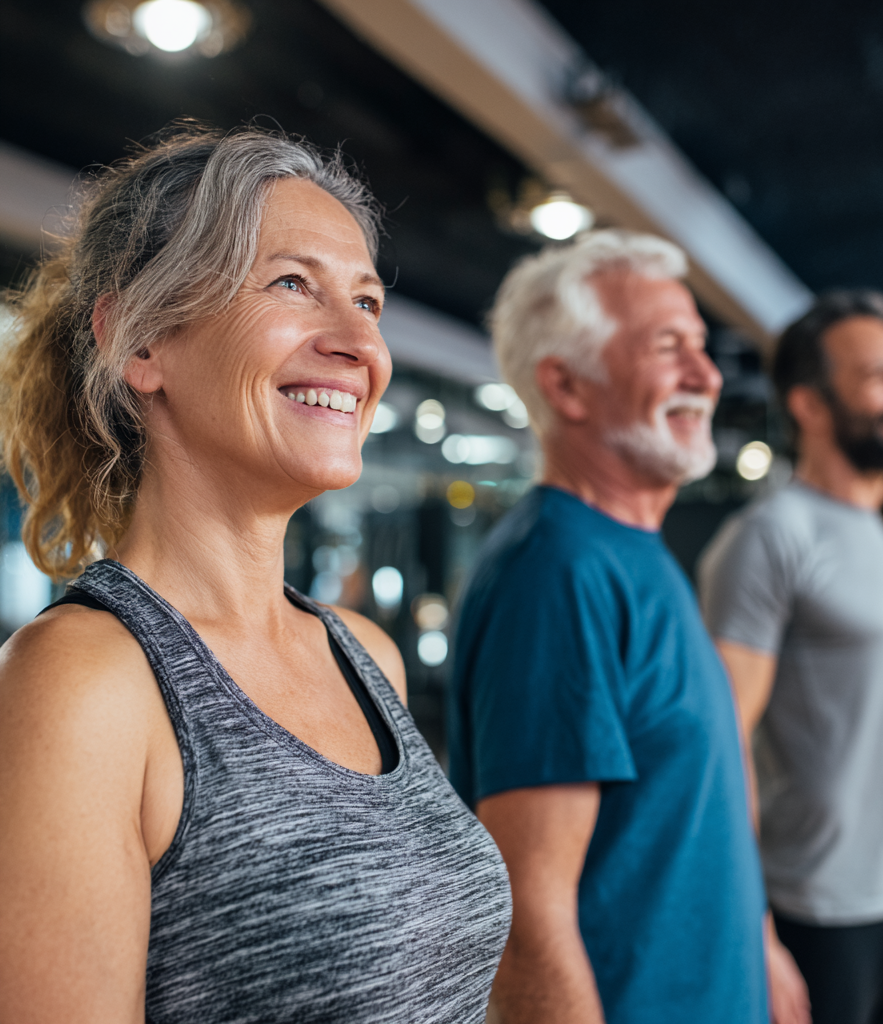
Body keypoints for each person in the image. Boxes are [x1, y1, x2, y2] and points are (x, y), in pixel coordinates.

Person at [0, 125, 511, 1024]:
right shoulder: (83, 684)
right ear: (141, 343)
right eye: (291, 284)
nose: (361, 346)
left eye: (368, 302)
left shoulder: (366, 657)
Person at [448, 230, 768, 1024]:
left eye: (701, 345)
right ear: (568, 386)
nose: (706, 374)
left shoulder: (634, 551)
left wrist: (760, 951)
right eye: (669, 347)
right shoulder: (557, 570)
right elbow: (527, 915)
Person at [699, 291, 883, 1024]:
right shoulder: (770, 537)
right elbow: (721, 743)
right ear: (810, 405)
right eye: (878, 378)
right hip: (811, 912)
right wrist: (751, 926)